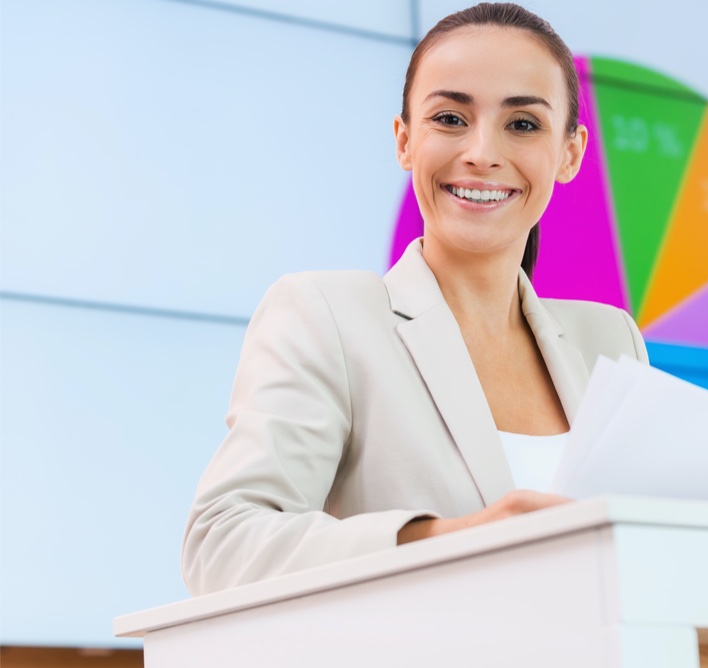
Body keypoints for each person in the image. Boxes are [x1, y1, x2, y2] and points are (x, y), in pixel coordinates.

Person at [181, 3, 648, 596]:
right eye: (450, 118)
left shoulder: (610, 339)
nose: (482, 151)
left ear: (571, 153)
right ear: (405, 140)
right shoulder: (327, 315)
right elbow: (221, 543)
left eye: (523, 124)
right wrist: (446, 538)